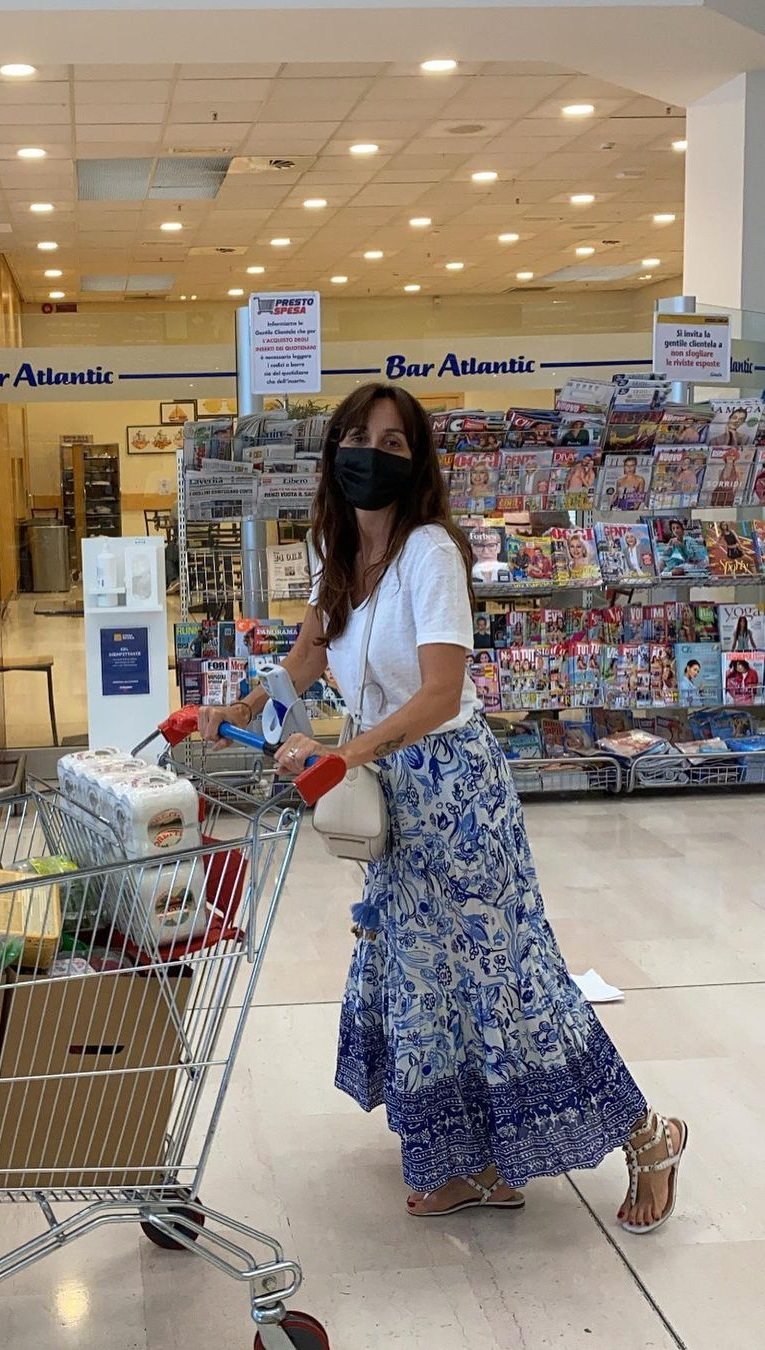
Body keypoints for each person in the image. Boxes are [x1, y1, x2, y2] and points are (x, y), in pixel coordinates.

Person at [199, 383, 687, 1232]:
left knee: (507, 979)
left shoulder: (430, 552)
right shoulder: (334, 548)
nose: (371, 454)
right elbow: (308, 656)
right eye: (357, 437)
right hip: (389, 793)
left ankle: (649, 1135)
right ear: (333, 452)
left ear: (416, 461)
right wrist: (241, 706)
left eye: (392, 443)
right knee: (426, 983)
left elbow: (438, 692)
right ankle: (475, 1166)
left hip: (455, 794)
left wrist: (343, 752)